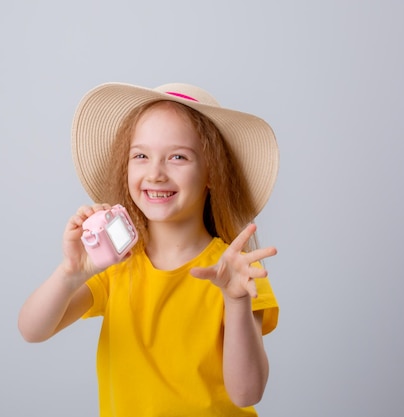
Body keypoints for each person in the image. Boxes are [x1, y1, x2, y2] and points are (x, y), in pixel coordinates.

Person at [18, 82, 280, 416]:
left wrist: (237, 301)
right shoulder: (115, 265)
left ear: (211, 172)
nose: (155, 173)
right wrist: (70, 273)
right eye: (141, 155)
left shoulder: (238, 273)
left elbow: (247, 393)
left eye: (178, 157)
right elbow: (32, 330)